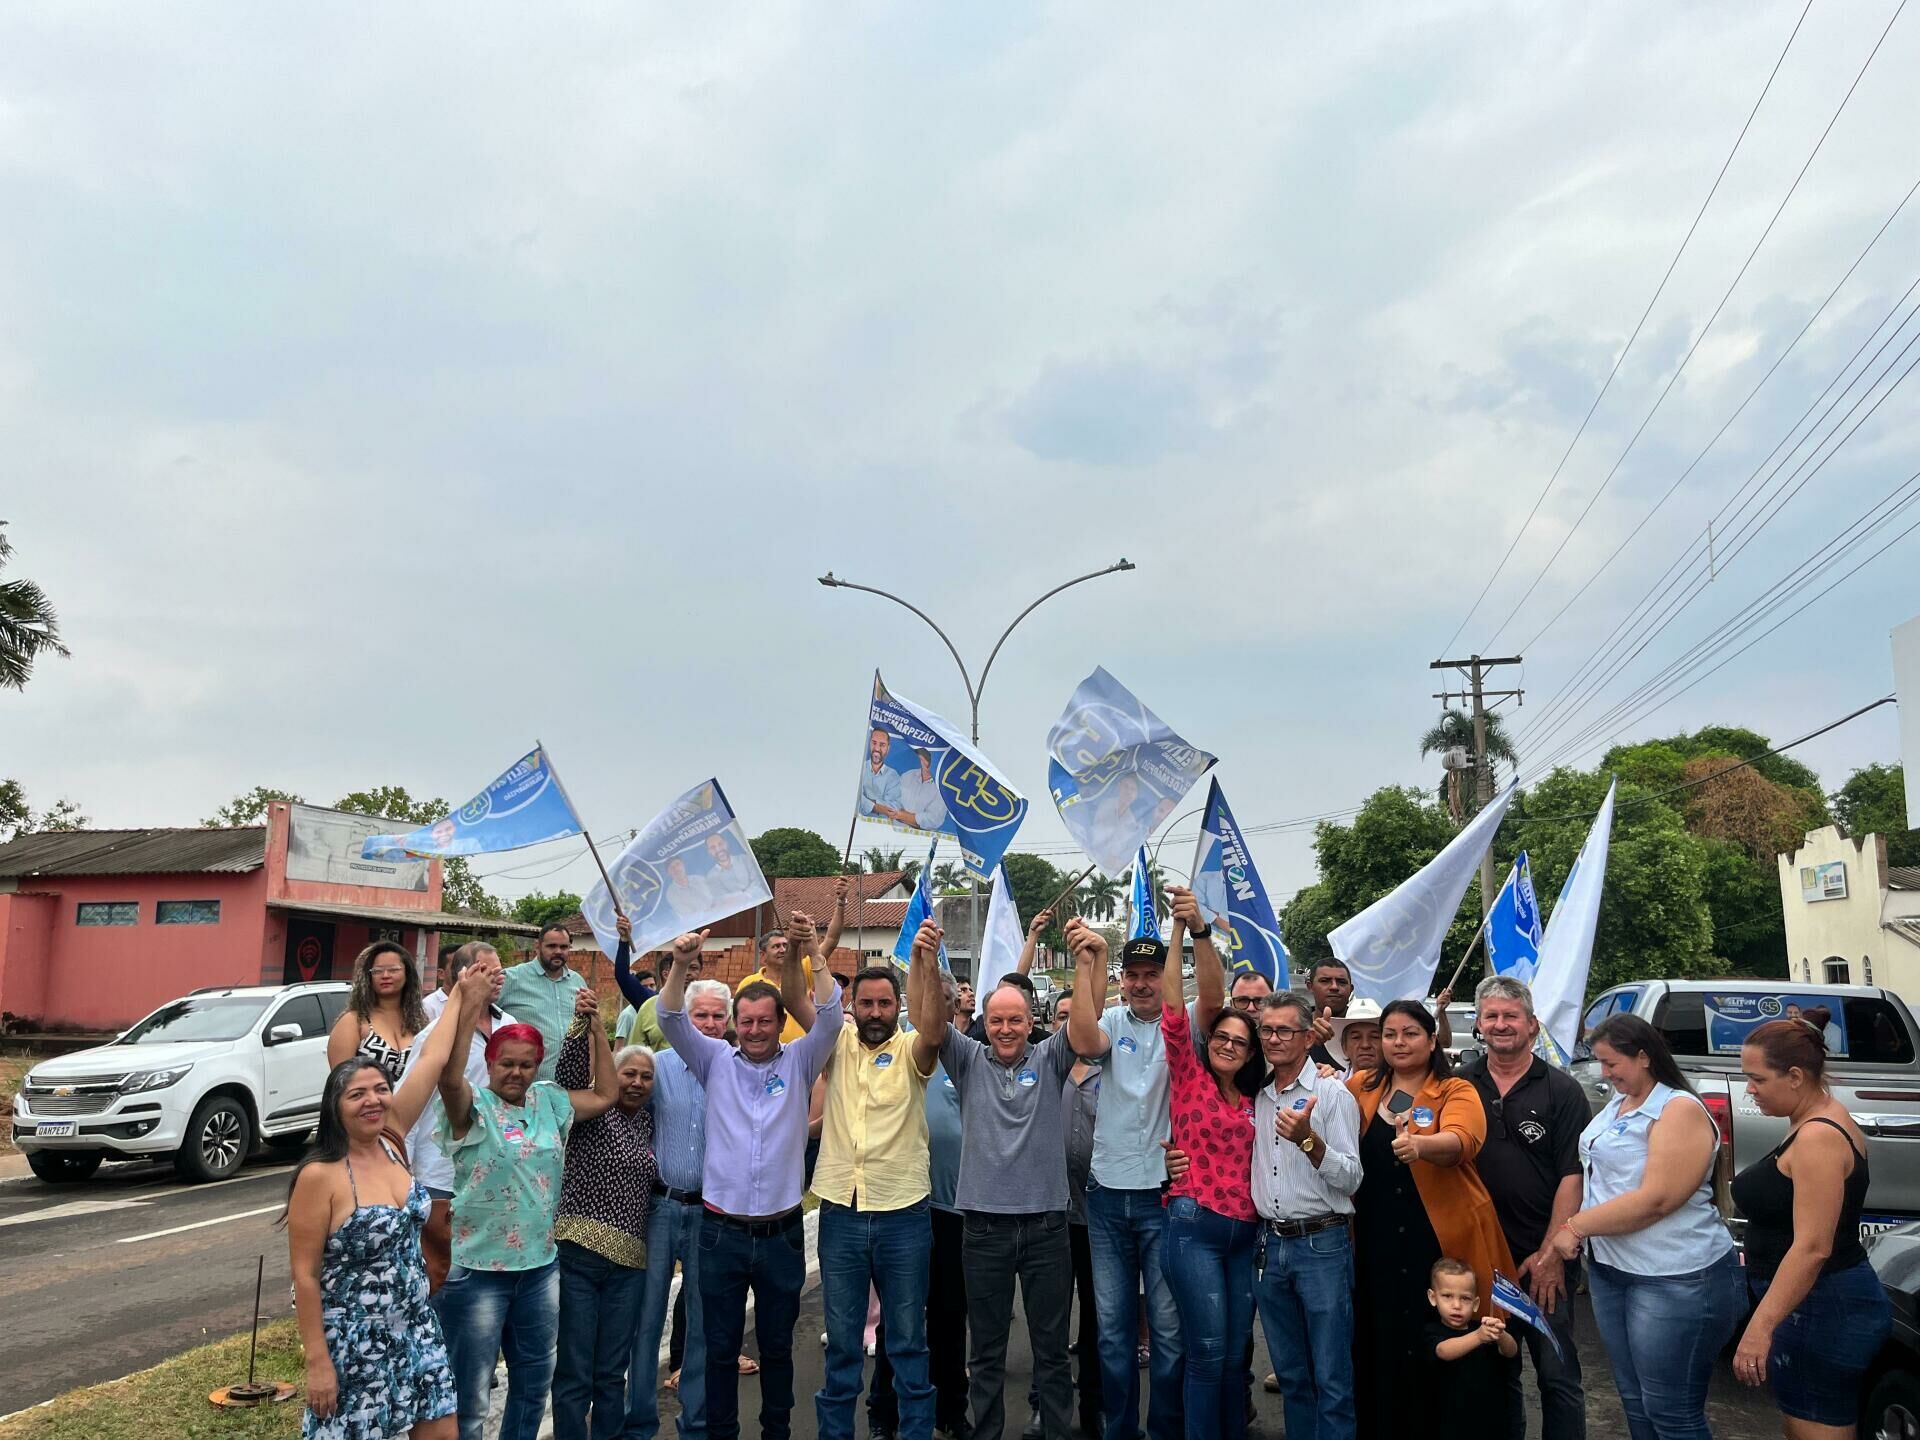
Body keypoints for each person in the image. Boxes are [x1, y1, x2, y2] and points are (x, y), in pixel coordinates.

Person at [285, 963, 485, 1440]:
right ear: (335, 1107)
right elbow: (305, 1276)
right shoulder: (320, 1175)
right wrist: (318, 1361)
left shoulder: (393, 1140)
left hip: (417, 1326)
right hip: (355, 1342)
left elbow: (432, 1060)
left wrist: (458, 995)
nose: (373, 1101)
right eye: (357, 1094)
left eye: (380, 1089)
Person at [661, 913, 841, 1440]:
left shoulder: (802, 1060)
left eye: (766, 1021)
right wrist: (679, 962)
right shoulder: (713, 1060)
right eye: (748, 1022)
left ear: (778, 1021)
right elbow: (672, 1016)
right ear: (736, 1024)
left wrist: (815, 953)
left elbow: (829, 1016)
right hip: (723, 1234)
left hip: (783, 1234)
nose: (756, 1030)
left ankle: (776, 1432)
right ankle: (721, 1433)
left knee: (779, 1348)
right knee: (719, 1349)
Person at [433, 978, 621, 1440]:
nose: (516, 1073)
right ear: (489, 1063)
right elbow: (448, 1079)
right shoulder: (472, 1107)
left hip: (539, 1269)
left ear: (539, 1066)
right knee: (471, 1394)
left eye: (526, 1065)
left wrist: (597, 1028)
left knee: (534, 1384)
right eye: (506, 1065)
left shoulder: (549, 1101)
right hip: (478, 1272)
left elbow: (605, 1095)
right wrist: (468, 1007)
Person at [944, 917, 1106, 1440]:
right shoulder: (966, 1059)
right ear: (984, 1024)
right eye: (997, 1021)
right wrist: (924, 963)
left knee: (1052, 1352)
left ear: (1030, 1019)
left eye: (1016, 1020)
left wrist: (1085, 966)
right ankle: (986, 1433)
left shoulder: (1051, 1055)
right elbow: (928, 1023)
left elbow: (1084, 1031)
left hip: (1046, 1230)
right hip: (984, 1230)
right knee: (986, 1353)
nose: (1007, 1029)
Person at [1547, 1014, 1740, 1440]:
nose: (1604, 1073)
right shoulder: (1622, 1102)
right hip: (1616, 1272)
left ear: (1644, 1057)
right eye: (1599, 1062)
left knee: (1671, 1412)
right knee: (1635, 1401)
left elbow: (1657, 1200)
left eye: (1612, 1063)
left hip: (1674, 1276)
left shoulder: (1679, 1109)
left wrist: (1575, 1227)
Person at [1348, 1000, 1513, 1440]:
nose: (1398, 1042)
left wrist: (1422, 1147)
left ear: (1430, 1038)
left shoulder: (1455, 1089)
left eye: (1410, 1033)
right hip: (1374, 1240)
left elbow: (1463, 1139)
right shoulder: (1361, 1085)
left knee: (1440, 1345)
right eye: (1389, 1034)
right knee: (1377, 1343)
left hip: (1438, 1242)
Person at [1730, 1008, 1889, 1438]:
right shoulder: (1813, 1117)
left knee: (1815, 1428)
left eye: (1758, 1079)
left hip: (1823, 1308)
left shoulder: (1818, 1136)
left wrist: (1759, 1328)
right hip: (1815, 1305)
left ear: (1796, 1076)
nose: (1750, 1089)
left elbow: (1813, 1246)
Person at [1455, 977, 1590, 1440]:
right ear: (1478, 1024)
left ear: (1532, 1025)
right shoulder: (1458, 1085)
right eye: (1491, 1016)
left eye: (1511, 1016)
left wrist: (1552, 1253)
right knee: (1495, 1371)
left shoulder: (1562, 1090)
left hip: (1542, 1258)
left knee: (1557, 1375)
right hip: (1481, 1256)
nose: (1500, 1024)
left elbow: (1573, 1175)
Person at [813, 953, 938, 1440]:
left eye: (885, 1002)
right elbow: (805, 1005)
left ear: (898, 1006)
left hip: (904, 1212)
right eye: (865, 1003)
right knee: (842, 1345)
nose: (874, 1011)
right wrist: (807, 951)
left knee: (907, 1342)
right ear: (853, 1005)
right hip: (841, 1211)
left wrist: (924, 962)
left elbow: (933, 1032)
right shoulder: (835, 1044)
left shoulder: (911, 1050)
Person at [1158, 890, 1264, 1440]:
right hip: (1193, 1226)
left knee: (1233, 1357)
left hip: (1244, 1235)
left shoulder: (1254, 1101)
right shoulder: (1189, 1075)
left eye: (1239, 1042)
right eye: (1221, 1036)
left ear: (1250, 1055)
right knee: (1205, 1352)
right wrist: (1183, 931)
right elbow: (1180, 1002)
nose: (1227, 1044)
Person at [1077, 919, 1187, 1440]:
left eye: (1152, 974)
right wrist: (1086, 963)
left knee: (1167, 1330)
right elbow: (1081, 1036)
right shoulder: (1112, 1022)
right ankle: (1119, 1431)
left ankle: (1164, 1430)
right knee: (1113, 1333)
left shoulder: (1180, 1026)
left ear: (1168, 977)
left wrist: (1189, 928)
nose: (1142, 983)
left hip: (1163, 1199)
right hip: (1106, 1196)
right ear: (1121, 979)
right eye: (1134, 974)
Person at [626, 938, 734, 1440]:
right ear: (687, 1019)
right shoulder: (658, 1068)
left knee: (701, 1318)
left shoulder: (736, 1069)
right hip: (661, 1206)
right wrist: (684, 961)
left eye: (718, 1017)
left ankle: (695, 1420)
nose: (710, 1025)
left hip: (709, 1211)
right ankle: (640, 1420)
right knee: (647, 1319)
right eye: (702, 1016)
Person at [1251, 990, 1362, 1440]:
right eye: (1266, 1030)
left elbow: (1353, 1178)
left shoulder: (1332, 1094)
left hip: (1322, 1245)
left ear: (1306, 1035)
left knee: (1332, 1380)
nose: (1274, 1038)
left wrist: (1309, 1141)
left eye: (1284, 1030)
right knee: (1292, 1377)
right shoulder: (1256, 1095)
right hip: (1269, 1246)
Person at [869, 968, 974, 1440]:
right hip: (902, 1206)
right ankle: (883, 1413)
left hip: (955, 1210)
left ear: (954, 1005)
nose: (932, 1004)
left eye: (941, 997)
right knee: (900, 1318)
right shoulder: (898, 1049)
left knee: (951, 1317)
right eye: (923, 995)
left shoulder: (972, 1056)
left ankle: (951, 1409)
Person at [551, 1022, 658, 1440]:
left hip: (628, 1267)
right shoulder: (592, 1111)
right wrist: (590, 1028)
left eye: (645, 1076)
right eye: (628, 1073)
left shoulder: (646, 1126)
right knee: (576, 1371)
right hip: (579, 1257)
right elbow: (569, 1078)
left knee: (612, 1374)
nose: (636, 1082)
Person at [408, 942, 517, 1293]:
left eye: (499, 970)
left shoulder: (510, 1027)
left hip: (491, 1170)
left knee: (482, 1273)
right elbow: (411, 1102)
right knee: (442, 1274)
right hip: (441, 1173)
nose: (496, 978)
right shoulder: (435, 1035)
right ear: (464, 976)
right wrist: (402, 1170)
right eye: (486, 971)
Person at [1424, 1258, 1519, 1440]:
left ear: (1475, 1304)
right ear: (1432, 1297)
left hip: (1486, 1420)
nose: (1457, 1305)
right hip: (1447, 1421)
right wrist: (1478, 1337)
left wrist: (1501, 1335)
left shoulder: (1482, 1328)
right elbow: (1443, 1351)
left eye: (1465, 1298)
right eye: (1447, 1296)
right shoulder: (1432, 1330)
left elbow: (1511, 1352)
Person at [498, 923, 590, 1083]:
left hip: (569, 1087)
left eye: (564, 947)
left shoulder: (577, 982)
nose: (558, 952)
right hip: (525, 1086)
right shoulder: (512, 979)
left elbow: (586, 1030)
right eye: (551, 946)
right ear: (537, 947)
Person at [327, 940, 429, 1082]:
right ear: (368, 977)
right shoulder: (353, 1021)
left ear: (407, 973)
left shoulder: (419, 1022)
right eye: (377, 971)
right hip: (369, 1103)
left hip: (415, 1104)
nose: (385, 975)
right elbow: (340, 1084)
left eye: (393, 970)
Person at [737, 927, 816, 1045]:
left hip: (802, 1053)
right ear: (763, 956)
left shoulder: (802, 971)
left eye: (785, 945)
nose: (782, 950)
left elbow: (830, 942)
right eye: (776, 946)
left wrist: (840, 908)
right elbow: (741, 1020)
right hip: (763, 1055)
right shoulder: (749, 983)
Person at [1304, 960, 1354, 1071]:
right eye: (1325, 981)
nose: (1334, 987)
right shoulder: (1295, 1028)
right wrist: (1308, 1042)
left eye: (1341, 982)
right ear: (1310, 986)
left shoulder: (1367, 1026)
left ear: (1351, 989)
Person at [890, 748, 950, 831]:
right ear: (920, 756)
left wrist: (900, 815)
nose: (929, 764)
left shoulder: (943, 788)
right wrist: (913, 819)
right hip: (894, 835)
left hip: (922, 840)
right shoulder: (907, 776)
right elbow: (891, 803)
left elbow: (933, 820)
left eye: (933, 759)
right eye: (926, 758)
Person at [1323, 1000, 1383, 1077]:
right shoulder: (1333, 1084)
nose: (1365, 1045)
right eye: (1356, 1037)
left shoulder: (1400, 1084)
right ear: (1344, 1047)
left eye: (1374, 1037)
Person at [859, 728, 904, 819]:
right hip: (855, 823)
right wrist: (877, 807)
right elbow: (855, 796)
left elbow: (894, 808)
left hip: (880, 829)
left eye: (882, 745)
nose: (877, 748)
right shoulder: (859, 768)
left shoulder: (893, 776)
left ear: (888, 748)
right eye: (874, 743)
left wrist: (867, 802)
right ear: (869, 743)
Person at [704, 832, 758, 900]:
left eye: (720, 844)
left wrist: (747, 895)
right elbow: (722, 897)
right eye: (712, 847)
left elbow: (758, 881)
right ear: (709, 852)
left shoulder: (745, 859)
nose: (718, 849)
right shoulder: (710, 876)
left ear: (726, 843)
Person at [664, 856, 713, 927]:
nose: (676, 869)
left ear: (683, 865)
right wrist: (711, 911)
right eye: (671, 868)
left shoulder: (699, 879)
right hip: (698, 925)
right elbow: (689, 915)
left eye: (678, 864)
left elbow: (714, 897)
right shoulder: (671, 893)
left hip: (717, 915)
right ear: (668, 873)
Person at [423, 942, 463, 1021]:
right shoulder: (428, 1006)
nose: (463, 970)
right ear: (441, 974)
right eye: (457, 966)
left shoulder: (480, 1002)